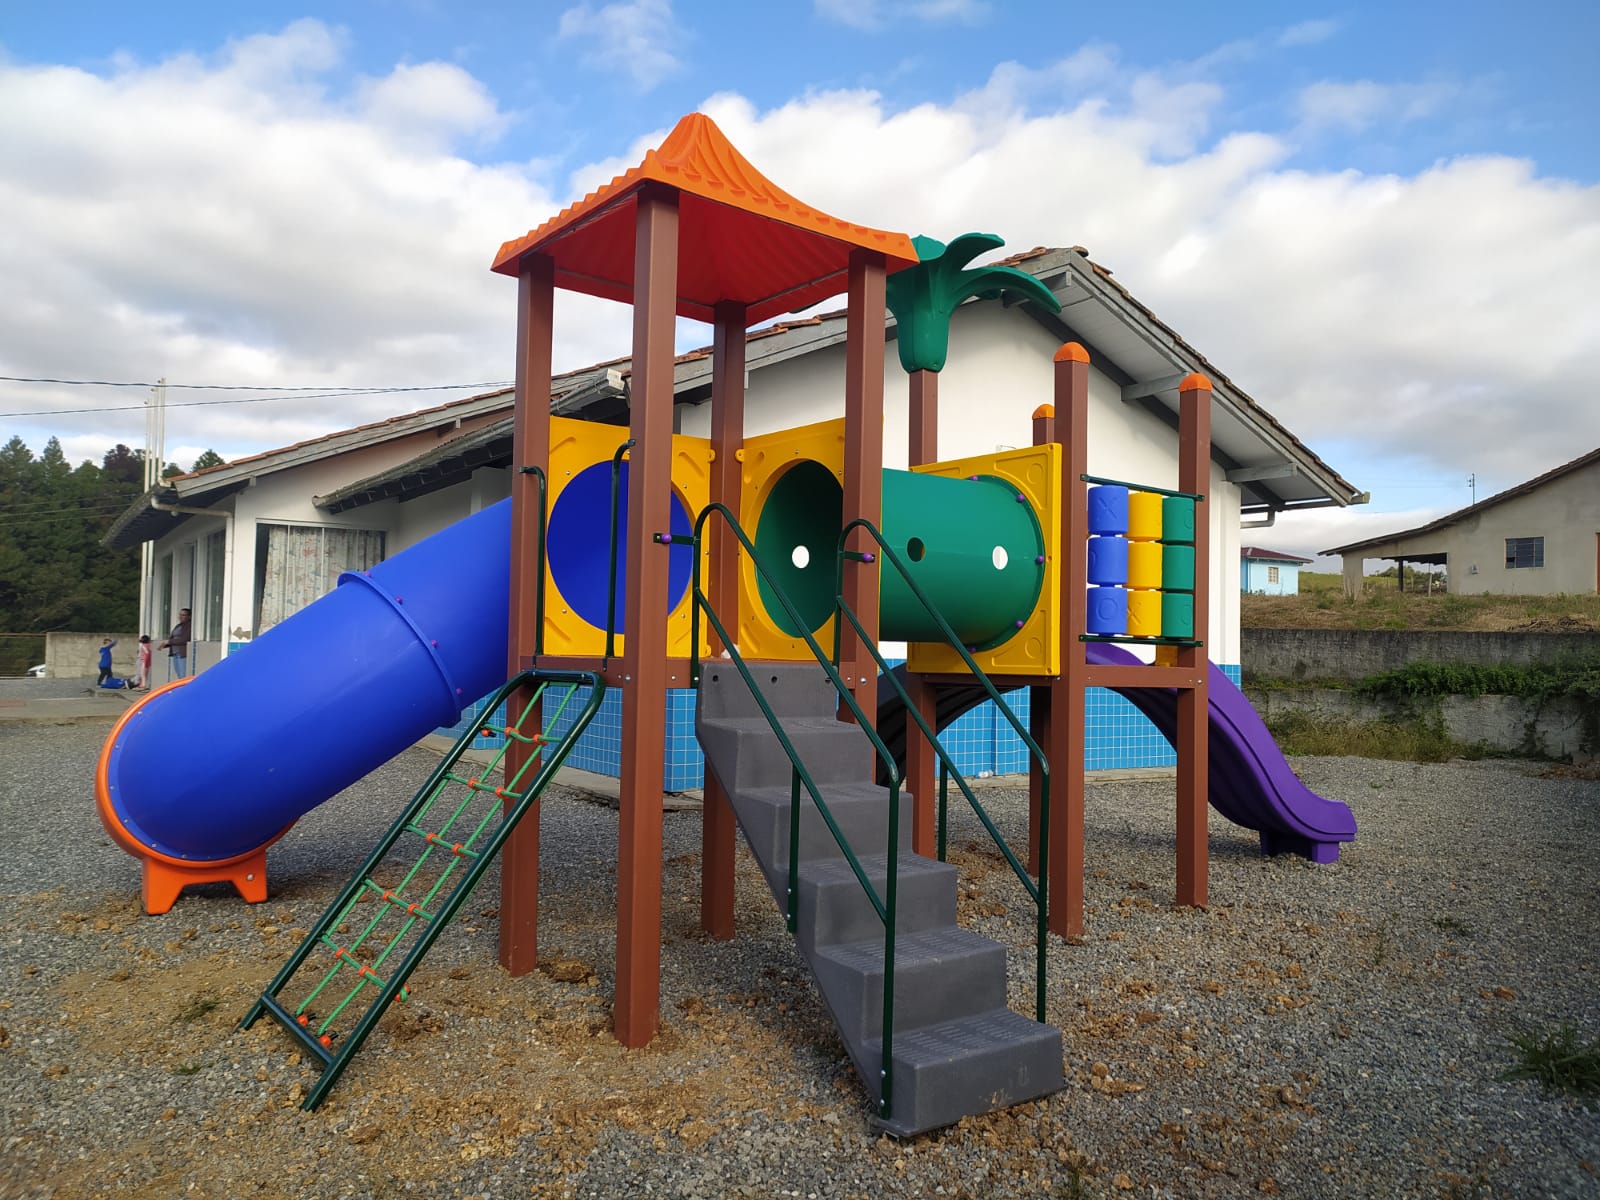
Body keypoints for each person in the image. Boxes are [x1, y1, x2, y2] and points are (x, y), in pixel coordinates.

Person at [158, 609, 192, 679]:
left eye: (183, 615)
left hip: (182, 653)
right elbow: (173, 638)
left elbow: (184, 640)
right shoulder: (178, 626)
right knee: (178, 673)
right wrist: (165, 644)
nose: (180, 617)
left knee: (182, 675)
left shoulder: (189, 626)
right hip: (175, 652)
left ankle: (183, 689)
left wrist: (169, 642)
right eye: (180, 615)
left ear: (189, 616)